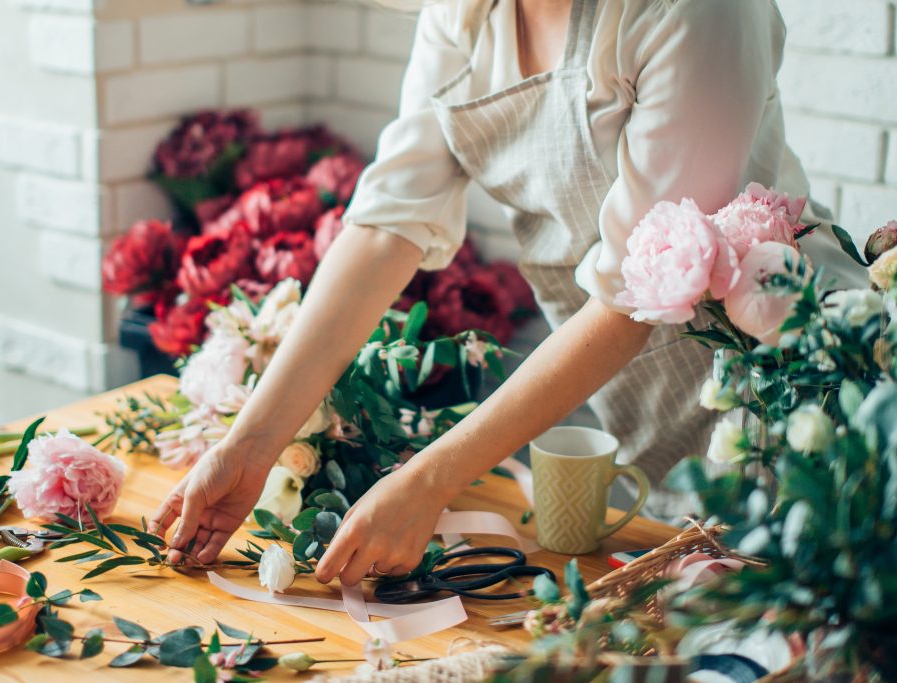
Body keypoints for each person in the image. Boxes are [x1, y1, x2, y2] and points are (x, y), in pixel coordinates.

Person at [150, 0, 862, 586]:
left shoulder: (695, 11)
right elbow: (386, 225)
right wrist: (250, 444)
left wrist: (429, 480)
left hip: (798, 390)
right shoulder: (462, 15)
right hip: (646, 410)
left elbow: (630, 297)